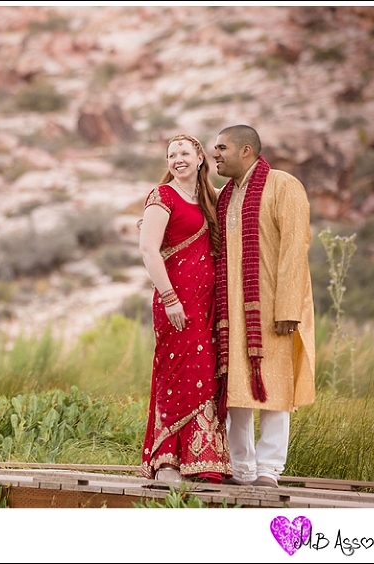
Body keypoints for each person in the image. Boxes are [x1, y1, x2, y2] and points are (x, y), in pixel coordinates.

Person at [211, 124, 316, 488]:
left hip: (272, 308)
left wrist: (288, 307)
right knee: (236, 390)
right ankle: (241, 469)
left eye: (221, 147)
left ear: (246, 151)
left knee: (275, 386)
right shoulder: (225, 195)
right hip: (231, 311)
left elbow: (294, 247)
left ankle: (269, 469)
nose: (215, 154)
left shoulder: (283, 185)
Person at [138, 134, 232, 485]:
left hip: (207, 305)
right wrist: (169, 298)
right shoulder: (162, 196)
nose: (177, 159)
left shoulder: (210, 198)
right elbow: (148, 250)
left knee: (205, 376)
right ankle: (167, 461)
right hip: (176, 303)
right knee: (175, 373)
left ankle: (202, 460)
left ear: (200, 158)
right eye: (171, 154)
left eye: (184, 152)